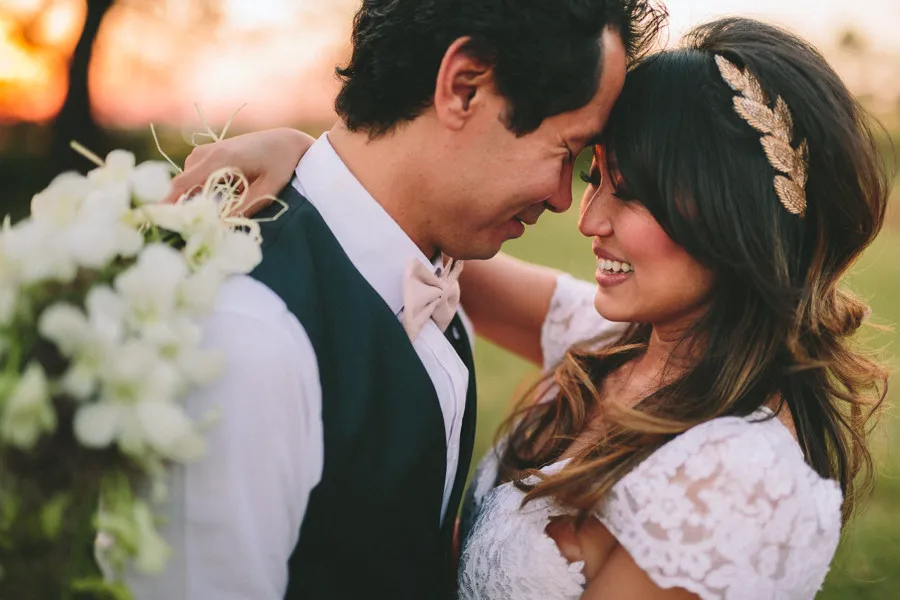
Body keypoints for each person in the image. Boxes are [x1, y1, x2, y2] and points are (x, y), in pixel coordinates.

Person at [179, 16, 891, 600]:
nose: (580, 215)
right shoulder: (622, 341)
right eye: (588, 170)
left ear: (734, 220)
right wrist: (308, 158)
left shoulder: (735, 478)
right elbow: (390, 229)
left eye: (629, 189)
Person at [127, 1, 667, 599]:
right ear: (464, 88)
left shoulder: (426, 264)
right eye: (567, 150)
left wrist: (309, 151)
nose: (566, 200)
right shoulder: (253, 336)